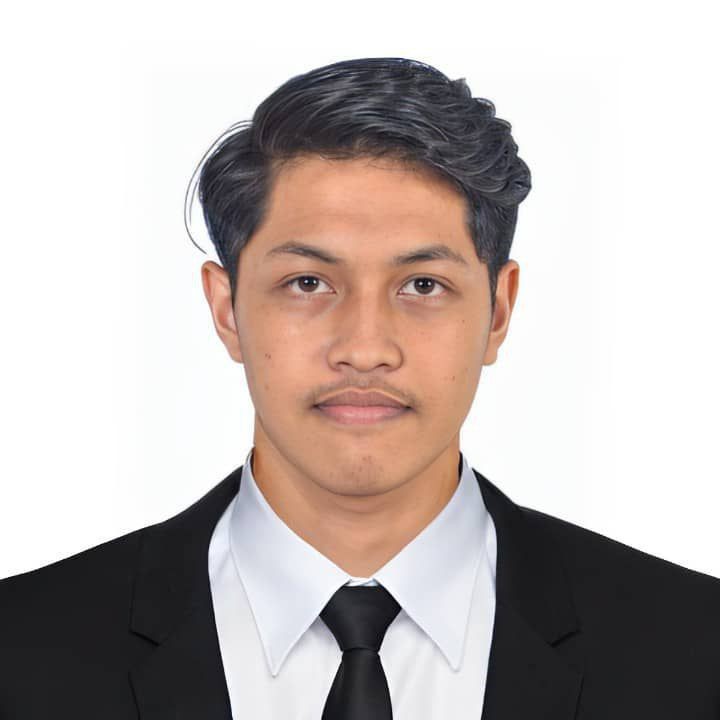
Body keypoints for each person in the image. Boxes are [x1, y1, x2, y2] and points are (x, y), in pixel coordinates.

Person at [1, 57, 719, 720]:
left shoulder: (694, 648)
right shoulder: (23, 648)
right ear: (227, 310)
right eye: (307, 283)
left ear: (498, 312)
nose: (366, 349)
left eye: (423, 285)